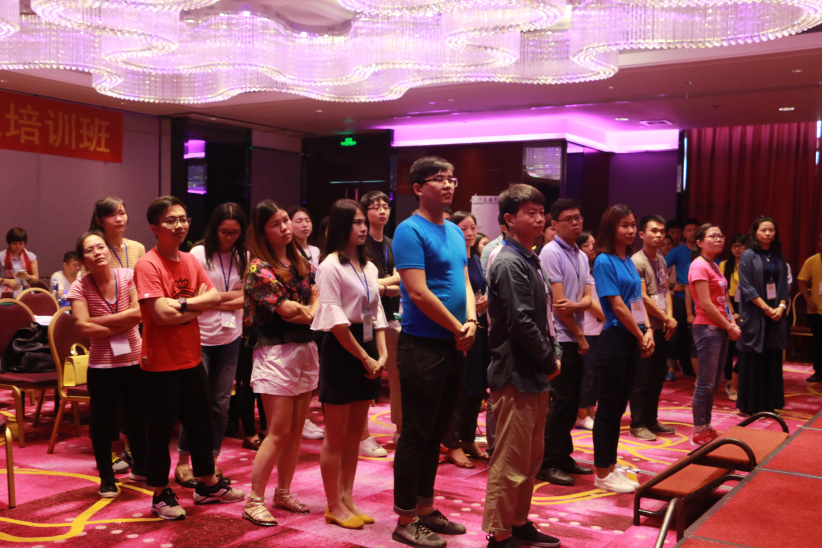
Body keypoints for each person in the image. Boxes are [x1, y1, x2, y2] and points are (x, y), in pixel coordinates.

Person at [134, 196, 245, 520]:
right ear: (155, 227)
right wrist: (195, 305)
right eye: (171, 220)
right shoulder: (148, 264)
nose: (179, 225)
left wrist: (182, 304)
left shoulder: (191, 260)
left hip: (191, 357)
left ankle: (207, 484)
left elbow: (213, 297)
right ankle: (159, 494)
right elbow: (160, 314)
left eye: (183, 219)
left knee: (201, 424)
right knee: (160, 431)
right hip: (160, 362)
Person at [391, 156, 476, 548]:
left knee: (437, 432)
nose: (447, 184)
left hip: (454, 342)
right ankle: (405, 518)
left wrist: (470, 321)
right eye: (438, 179)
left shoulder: (456, 231)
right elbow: (418, 291)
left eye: (450, 178)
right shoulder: (409, 230)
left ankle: (425, 508)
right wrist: (458, 328)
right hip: (422, 345)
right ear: (417, 188)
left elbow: (464, 281)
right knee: (415, 433)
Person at [483, 184, 562, 548]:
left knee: (530, 458)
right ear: (509, 219)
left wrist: (551, 355)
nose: (539, 218)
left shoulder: (530, 257)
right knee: (510, 460)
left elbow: (543, 318)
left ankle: (518, 522)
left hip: (533, 371)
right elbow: (521, 322)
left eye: (541, 212)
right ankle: (499, 535)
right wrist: (549, 359)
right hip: (516, 372)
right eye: (530, 213)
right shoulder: (509, 261)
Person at [242, 200, 320, 527]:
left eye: (286, 220)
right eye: (276, 224)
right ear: (263, 232)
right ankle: (253, 501)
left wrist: (308, 310)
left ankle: (283, 492)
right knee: (277, 432)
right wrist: (311, 309)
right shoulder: (258, 268)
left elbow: (315, 300)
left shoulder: (301, 260)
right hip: (274, 352)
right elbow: (289, 311)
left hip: (305, 348)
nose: (285, 227)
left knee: (295, 431)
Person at [311, 199, 388, 529]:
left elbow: (377, 312)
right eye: (356, 222)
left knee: (356, 433)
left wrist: (382, 354)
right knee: (336, 436)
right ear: (341, 226)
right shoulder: (330, 266)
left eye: (363, 222)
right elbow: (335, 321)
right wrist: (365, 356)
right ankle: (333, 504)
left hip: (367, 345)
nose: (363, 227)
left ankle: (347, 498)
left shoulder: (368, 266)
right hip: (343, 349)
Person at [174, 203, 248, 488]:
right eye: (223, 231)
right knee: (195, 403)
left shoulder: (244, 256)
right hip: (200, 337)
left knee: (220, 404)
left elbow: (246, 299)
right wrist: (226, 297)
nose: (228, 237)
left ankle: (211, 461)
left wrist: (214, 298)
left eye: (234, 232)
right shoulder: (198, 253)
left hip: (230, 338)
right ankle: (184, 461)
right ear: (214, 228)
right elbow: (193, 296)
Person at [69, 231, 145, 498]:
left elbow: (140, 313)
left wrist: (97, 322)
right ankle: (107, 477)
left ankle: (141, 467)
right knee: (102, 425)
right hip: (102, 366)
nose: (97, 252)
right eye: (89, 250)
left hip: (134, 360)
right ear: (82, 260)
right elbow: (82, 327)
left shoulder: (127, 276)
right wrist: (123, 321)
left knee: (137, 418)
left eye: (100, 247)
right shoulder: (80, 287)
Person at [591, 204, 654, 494]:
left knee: (618, 409)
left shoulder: (627, 260)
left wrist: (648, 330)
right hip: (615, 340)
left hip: (631, 338)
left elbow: (637, 301)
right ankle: (602, 472)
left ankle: (611, 464)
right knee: (607, 409)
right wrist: (640, 335)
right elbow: (616, 305)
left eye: (633, 224)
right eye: (624, 225)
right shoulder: (604, 261)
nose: (630, 230)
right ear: (611, 228)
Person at [536, 199, 593, 486]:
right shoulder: (550, 252)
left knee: (571, 401)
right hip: (559, 337)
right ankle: (546, 462)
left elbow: (587, 299)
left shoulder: (581, 254)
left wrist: (578, 306)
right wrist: (580, 334)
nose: (575, 223)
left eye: (578, 217)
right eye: (568, 219)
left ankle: (562, 455)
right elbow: (560, 305)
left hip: (575, 334)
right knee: (560, 402)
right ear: (554, 224)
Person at [443, 211, 490, 469]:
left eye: (473, 227)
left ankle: (469, 438)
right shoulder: (453, 258)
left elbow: (480, 289)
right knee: (459, 388)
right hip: (459, 327)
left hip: (478, 327)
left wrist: (485, 300)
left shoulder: (476, 258)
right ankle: (452, 443)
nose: (470, 233)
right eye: (464, 228)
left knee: (476, 386)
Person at [688, 224, 742, 445]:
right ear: (700, 242)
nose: (719, 239)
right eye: (713, 236)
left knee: (715, 382)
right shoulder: (698, 266)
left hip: (719, 326)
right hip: (707, 328)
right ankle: (698, 430)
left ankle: (707, 427)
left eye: (721, 236)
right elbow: (706, 305)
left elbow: (724, 299)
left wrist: (731, 322)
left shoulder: (715, 265)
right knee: (705, 383)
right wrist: (729, 326)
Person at [629, 215, 678, 441]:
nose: (659, 235)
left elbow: (665, 290)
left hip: (662, 324)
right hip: (644, 326)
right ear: (642, 234)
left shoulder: (660, 259)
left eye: (662, 231)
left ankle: (651, 419)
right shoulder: (637, 261)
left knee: (657, 376)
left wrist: (669, 318)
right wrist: (666, 318)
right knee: (642, 377)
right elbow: (643, 297)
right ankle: (637, 422)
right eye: (654, 231)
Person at [361, 190, 402, 450]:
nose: (382, 210)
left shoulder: (392, 243)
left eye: (385, 205)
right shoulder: (360, 242)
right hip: (365, 318)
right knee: (367, 376)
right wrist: (389, 286)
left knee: (398, 377)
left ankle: (400, 431)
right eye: (375, 207)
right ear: (365, 213)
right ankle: (362, 435)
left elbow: (403, 280)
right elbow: (364, 284)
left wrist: (382, 286)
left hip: (392, 317)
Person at [736, 217, 789, 417]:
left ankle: (770, 403)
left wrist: (781, 308)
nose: (767, 233)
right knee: (753, 358)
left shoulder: (778, 255)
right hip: (756, 313)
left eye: (771, 230)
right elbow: (746, 287)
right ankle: (750, 404)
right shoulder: (748, 255)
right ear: (755, 233)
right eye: (763, 230)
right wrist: (766, 308)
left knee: (772, 358)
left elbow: (784, 286)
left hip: (776, 315)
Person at [288, 205, 325, 442]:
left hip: (318, 310)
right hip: (301, 311)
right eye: (299, 221)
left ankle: (304, 417)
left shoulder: (316, 250)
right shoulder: (288, 252)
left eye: (307, 220)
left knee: (311, 372)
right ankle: (298, 421)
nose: (304, 224)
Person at [576, 231, 604, 431]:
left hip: (599, 329)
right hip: (586, 328)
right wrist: (606, 316)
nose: (592, 247)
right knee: (586, 374)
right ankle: (581, 414)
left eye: (593, 243)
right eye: (586, 245)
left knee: (596, 374)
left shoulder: (595, 268)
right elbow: (586, 301)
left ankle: (590, 410)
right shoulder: (579, 269)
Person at [666, 218, 700, 378]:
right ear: (684, 234)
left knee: (692, 337)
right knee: (676, 333)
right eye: (689, 230)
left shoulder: (703, 250)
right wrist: (672, 286)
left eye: (695, 230)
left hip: (699, 298)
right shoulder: (678, 251)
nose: (693, 233)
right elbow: (660, 269)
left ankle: (689, 367)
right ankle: (670, 369)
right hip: (680, 298)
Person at [720, 235, 748, 399]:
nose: (738, 249)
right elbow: (722, 291)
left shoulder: (750, 263)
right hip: (729, 304)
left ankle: (741, 378)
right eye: (734, 246)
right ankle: (729, 379)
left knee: (743, 343)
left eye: (741, 246)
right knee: (729, 344)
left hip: (747, 304)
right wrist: (731, 313)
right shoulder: (724, 264)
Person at [90, 197, 147, 270]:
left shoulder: (138, 248)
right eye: (112, 215)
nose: (119, 219)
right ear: (99, 221)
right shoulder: (95, 251)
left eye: (122, 213)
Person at [798, 229, 822, 383]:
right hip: (816, 310)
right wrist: (808, 300)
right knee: (819, 343)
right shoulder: (811, 261)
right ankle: (819, 372)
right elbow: (801, 281)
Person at [1, 228, 38, 298]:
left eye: (21, 243)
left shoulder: (31, 257)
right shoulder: (1, 256)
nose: (18, 246)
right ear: (9, 243)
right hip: (4, 291)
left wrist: (27, 277)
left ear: (25, 243)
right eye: (14, 243)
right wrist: (7, 281)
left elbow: (35, 279)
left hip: (25, 291)